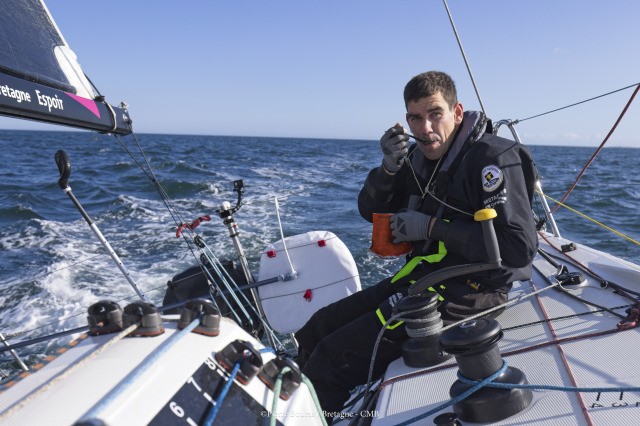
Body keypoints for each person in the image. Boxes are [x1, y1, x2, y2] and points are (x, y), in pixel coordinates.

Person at [294, 71, 538, 418]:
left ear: (457, 113)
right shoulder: (418, 160)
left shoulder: (492, 159)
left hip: (471, 290)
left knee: (332, 359)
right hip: (424, 277)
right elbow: (370, 211)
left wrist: (432, 227)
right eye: (415, 117)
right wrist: (387, 171)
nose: (425, 128)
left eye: (435, 113)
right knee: (316, 328)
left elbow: (517, 249)